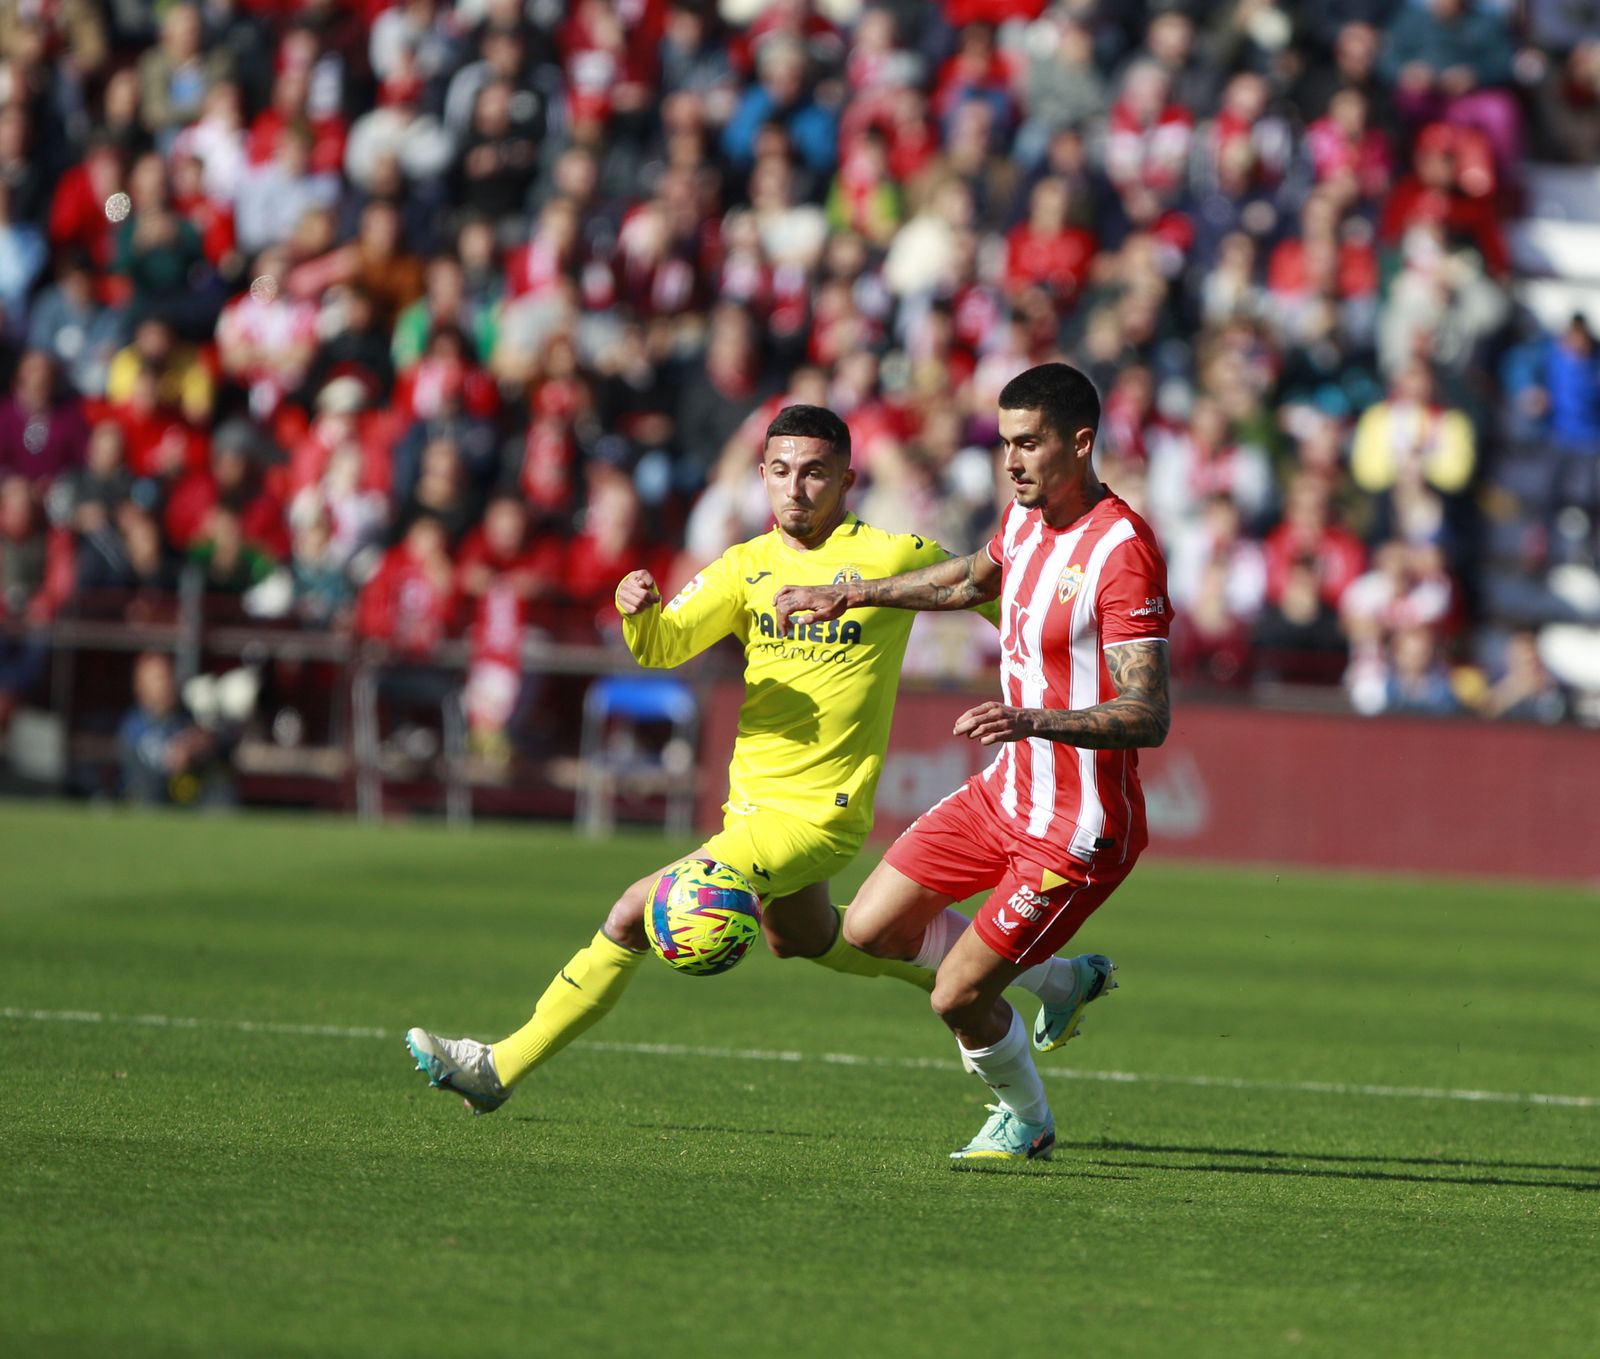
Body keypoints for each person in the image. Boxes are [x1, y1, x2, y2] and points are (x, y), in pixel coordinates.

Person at [403, 404, 1086, 1115]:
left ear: (848, 479)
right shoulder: (743, 566)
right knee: (807, 937)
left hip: (819, 816)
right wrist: (637, 607)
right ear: (761, 475)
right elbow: (662, 646)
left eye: (815, 472)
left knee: (635, 909)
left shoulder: (891, 557)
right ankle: (1050, 979)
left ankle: (498, 1066)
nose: (796, 488)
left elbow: (1006, 603)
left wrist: (1069, 687)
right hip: (752, 807)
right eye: (782, 471)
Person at [773, 364, 1172, 1163]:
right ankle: (1063, 983)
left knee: (958, 992)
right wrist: (857, 594)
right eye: (1004, 444)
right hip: (1005, 794)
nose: (1011, 461)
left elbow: (1148, 714)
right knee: (870, 926)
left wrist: (1032, 719)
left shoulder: (1122, 552)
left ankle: (1027, 1119)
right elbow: (969, 579)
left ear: (1081, 442)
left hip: (1077, 830)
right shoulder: (1025, 517)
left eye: (1029, 443)